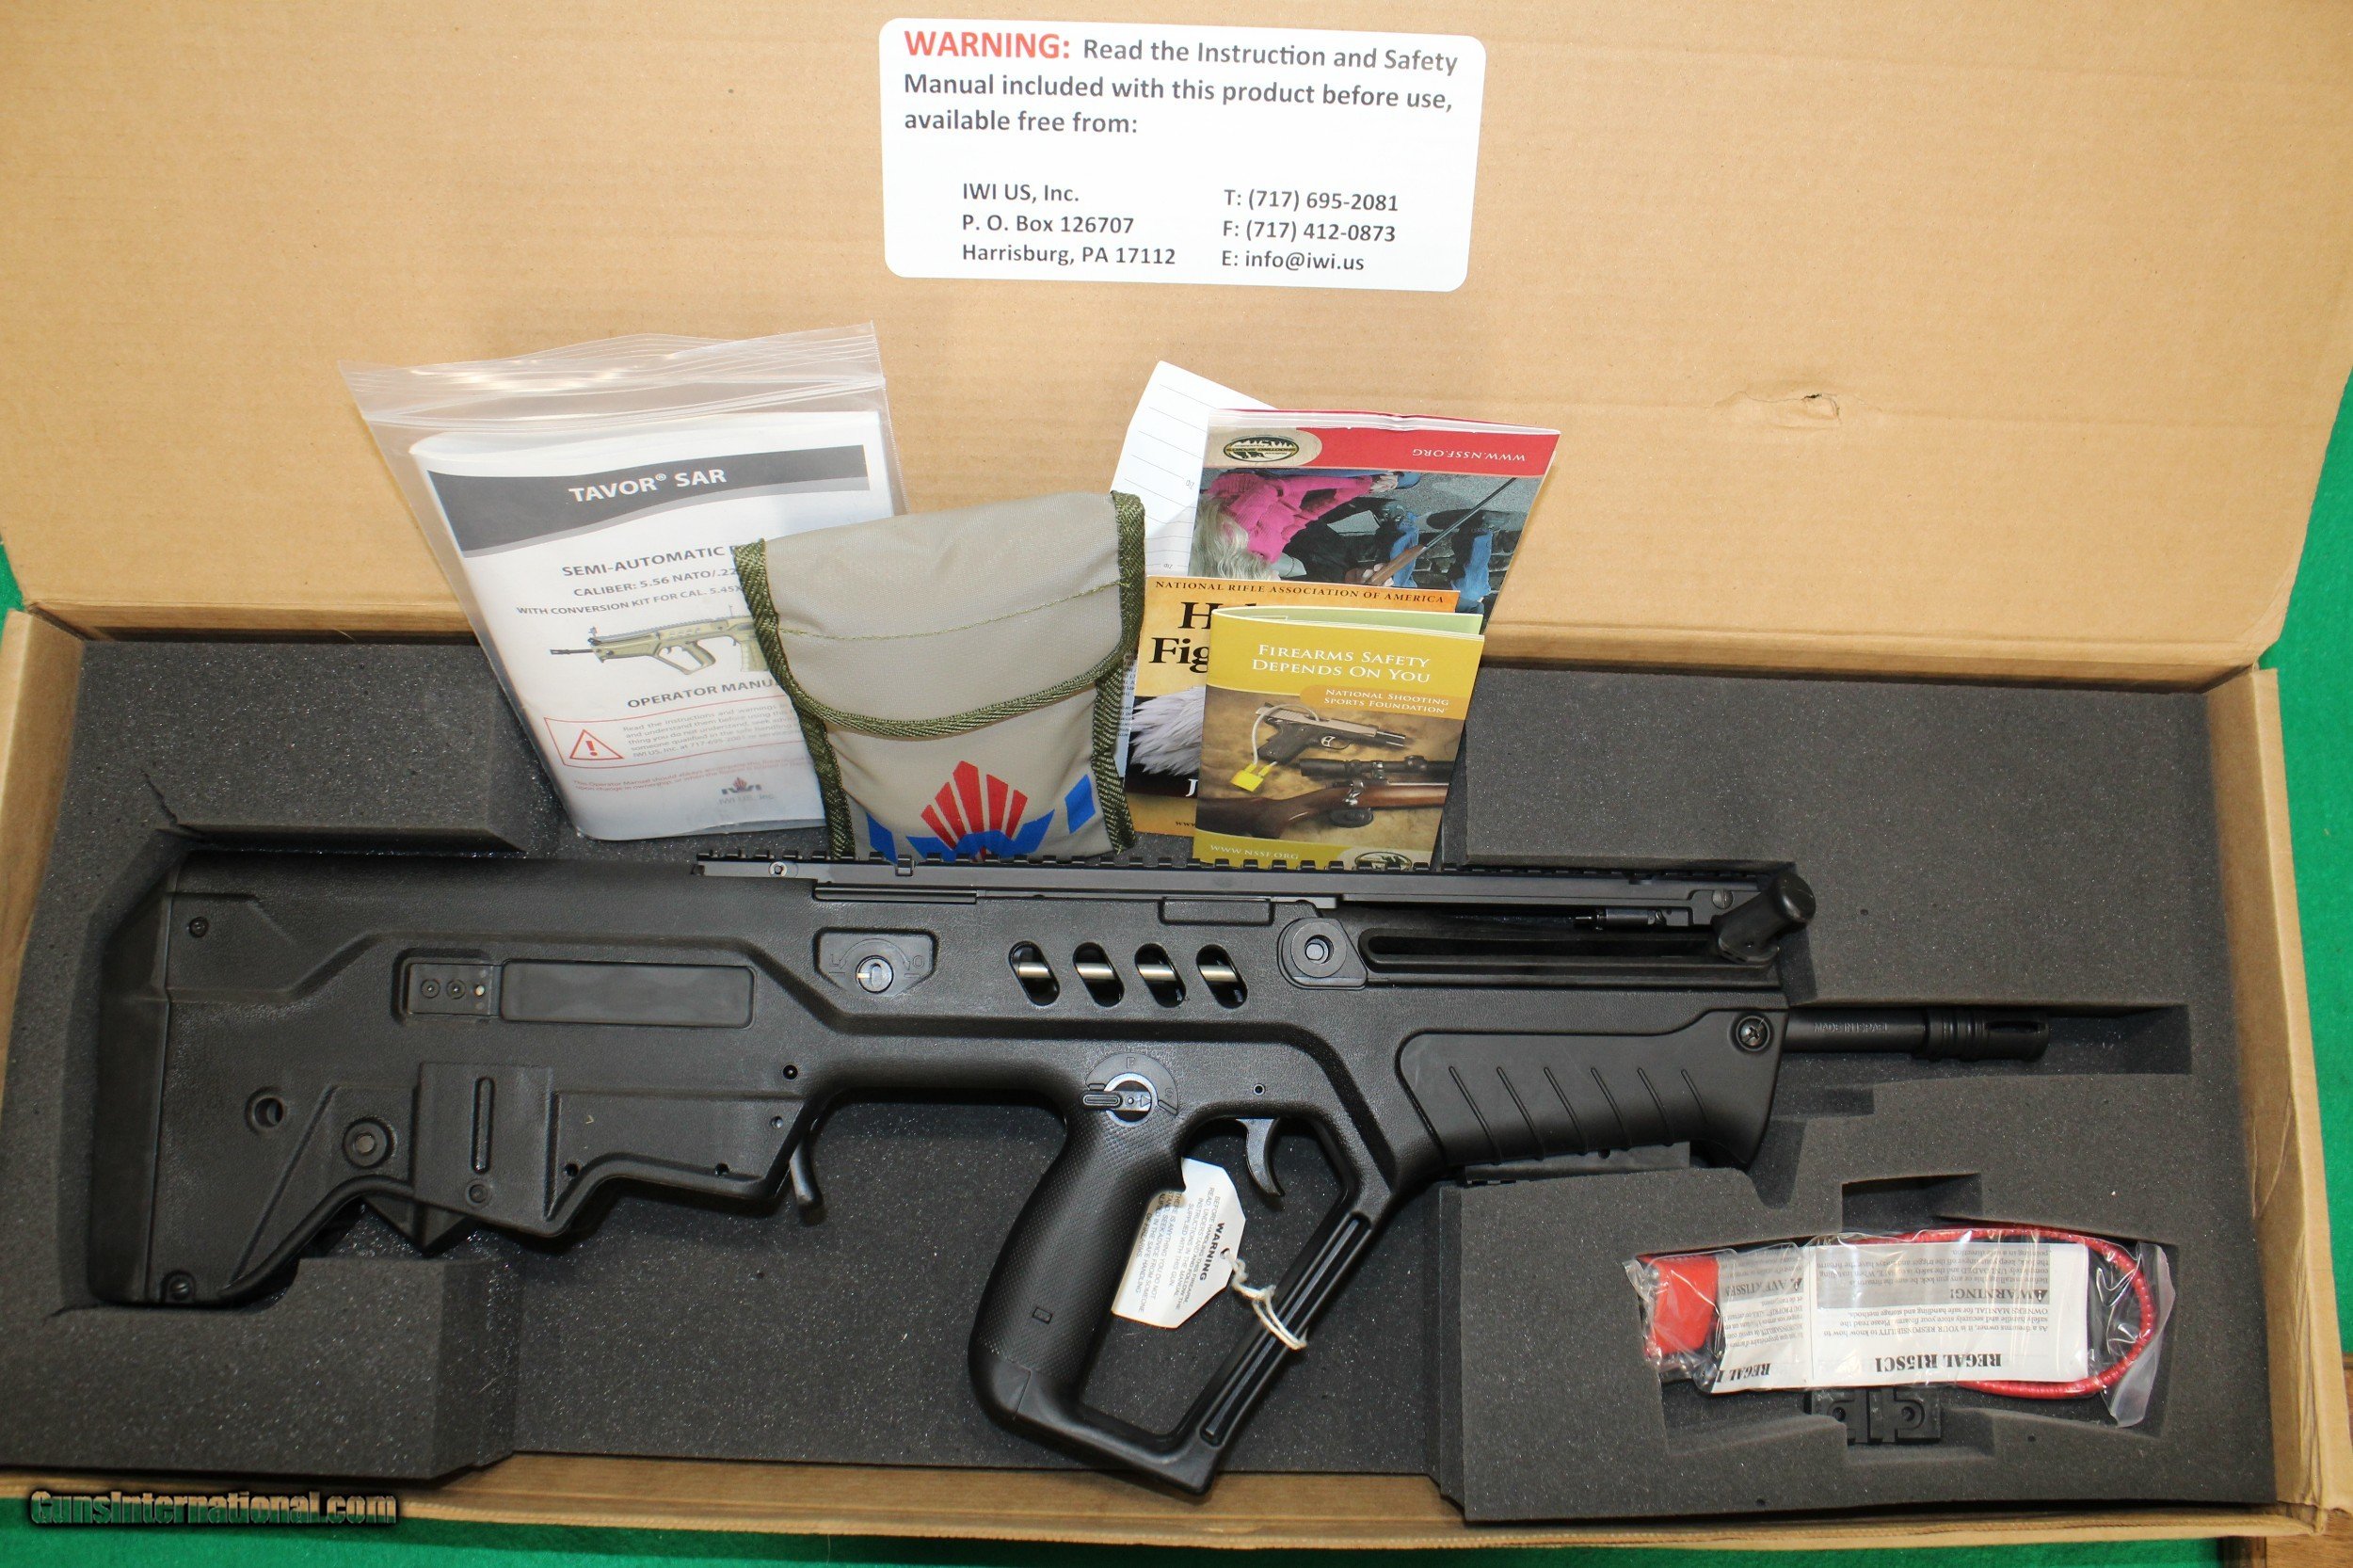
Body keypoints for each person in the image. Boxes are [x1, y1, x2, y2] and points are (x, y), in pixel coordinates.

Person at [1197, 470, 1404, 568]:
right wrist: (1362, 488)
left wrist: (1358, 483)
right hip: (1293, 484)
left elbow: (1272, 487)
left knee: (1401, 474)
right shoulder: (1268, 558)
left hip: (1263, 473)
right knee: (1404, 478)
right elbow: (1304, 516)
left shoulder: (1235, 537)